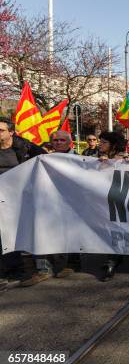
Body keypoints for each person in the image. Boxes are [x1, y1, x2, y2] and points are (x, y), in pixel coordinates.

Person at [21, 130, 76, 286]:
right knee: (41, 231)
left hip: (70, 203)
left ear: (69, 142)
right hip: (47, 201)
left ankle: (66, 265)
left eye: (61, 140)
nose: (58, 142)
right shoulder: (43, 159)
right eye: (55, 140)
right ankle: (44, 269)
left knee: (66, 234)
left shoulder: (80, 159)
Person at [0, 117, 46, 286]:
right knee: (3, 234)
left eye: (1, 130)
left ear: (11, 132)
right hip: (1, 199)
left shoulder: (25, 147)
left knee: (21, 232)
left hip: (21, 198)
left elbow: (46, 161)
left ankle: (36, 268)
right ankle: (11, 270)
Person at [97, 131, 129, 281]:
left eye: (104, 142)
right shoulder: (98, 157)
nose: (100, 144)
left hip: (119, 199)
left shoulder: (124, 158)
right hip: (103, 198)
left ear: (113, 145)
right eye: (100, 141)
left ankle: (112, 261)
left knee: (117, 227)